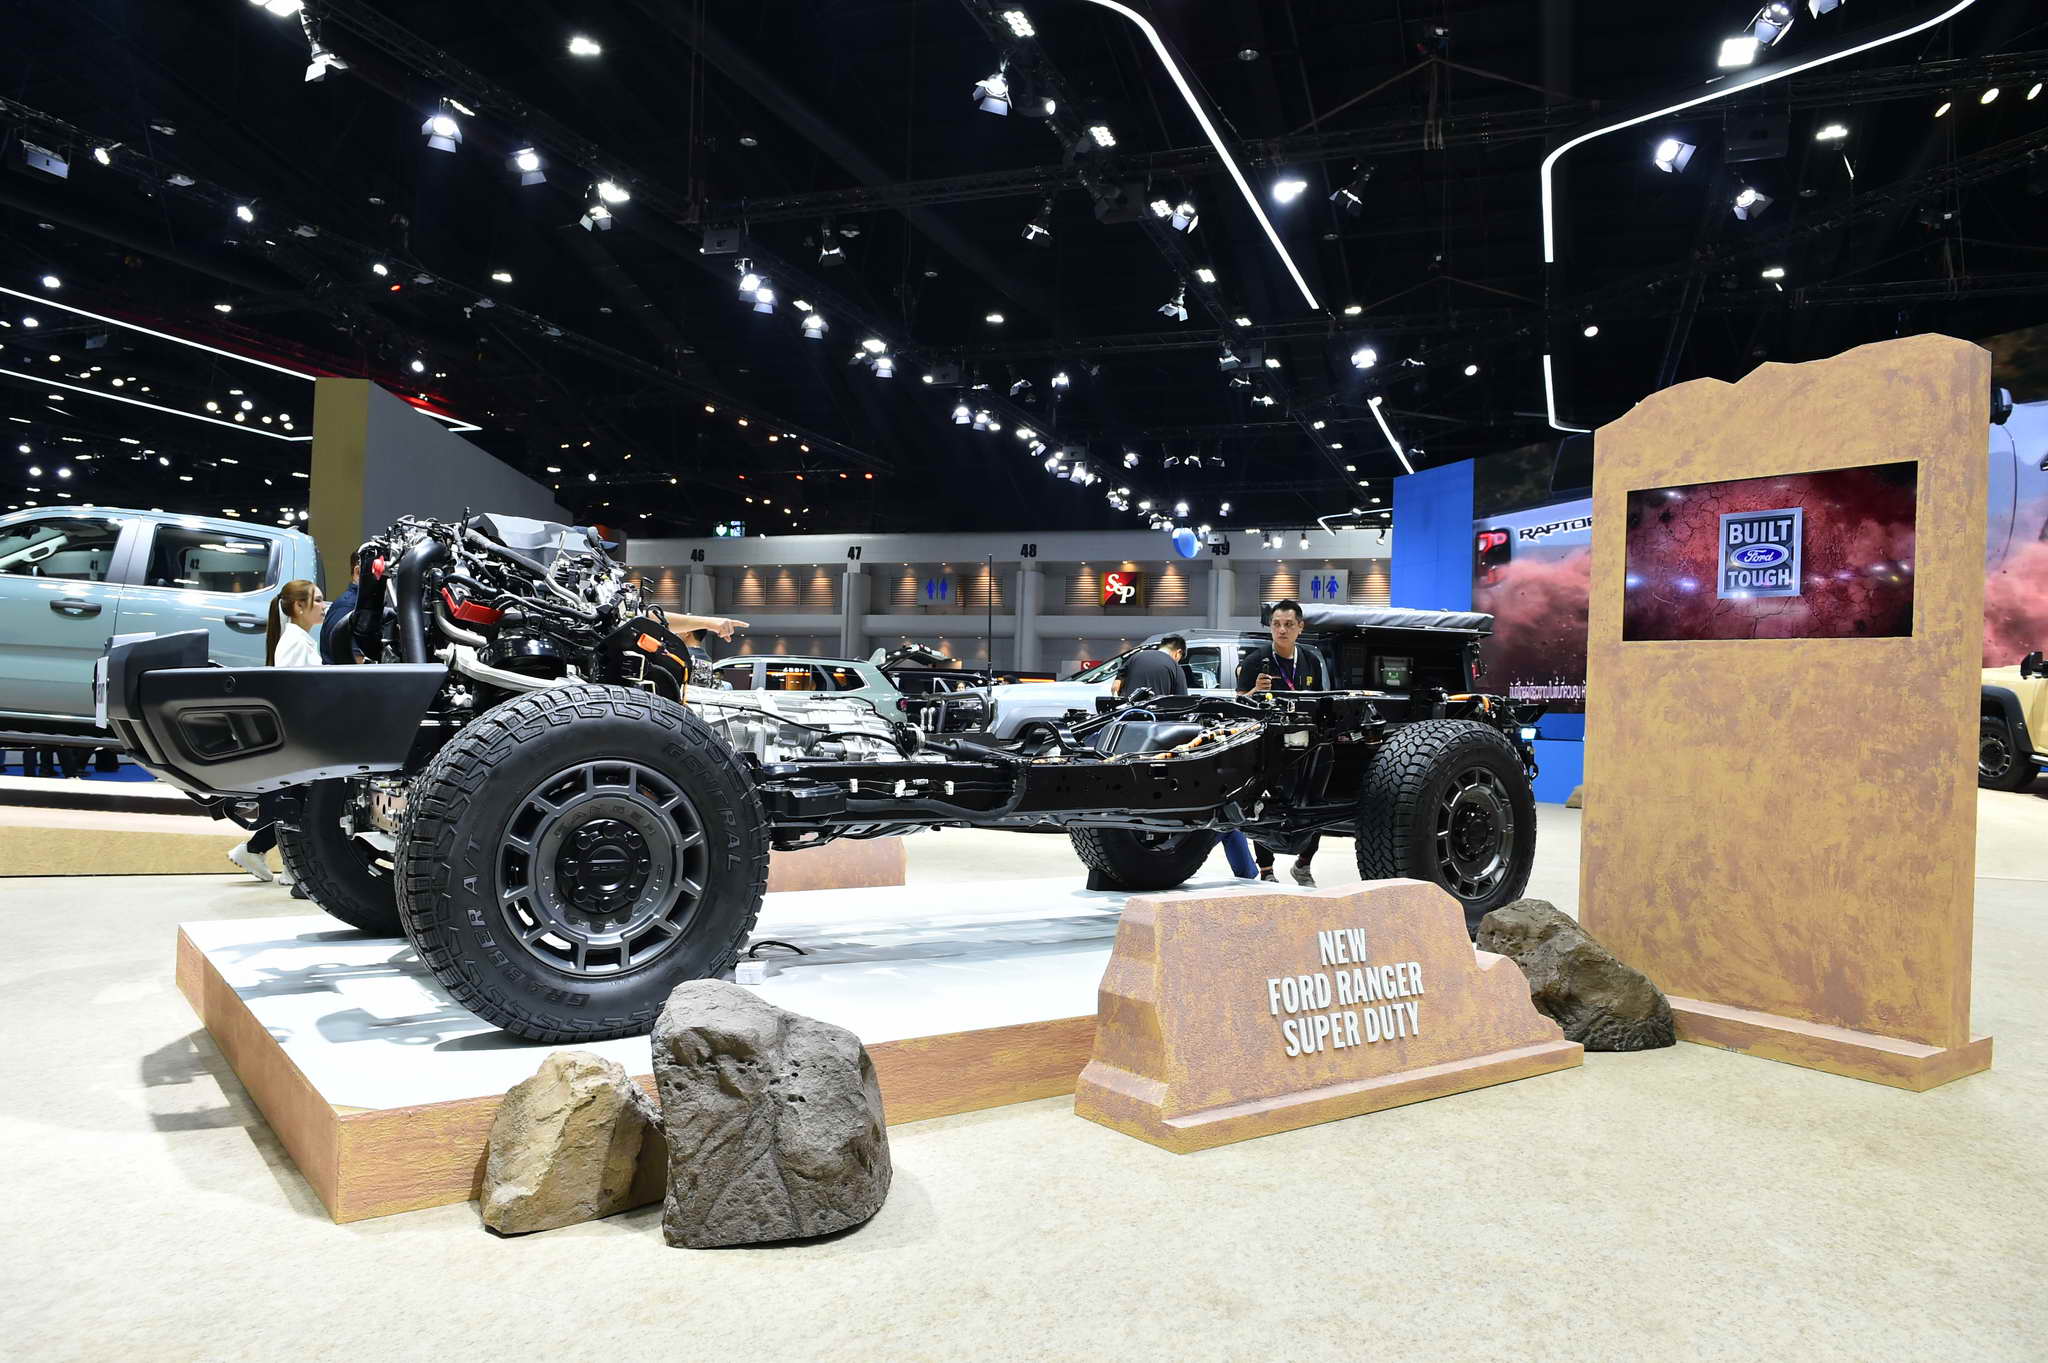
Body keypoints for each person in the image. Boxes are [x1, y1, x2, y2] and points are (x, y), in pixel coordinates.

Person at [228, 580, 326, 882]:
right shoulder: (295, 642)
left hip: (302, 736)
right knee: (301, 801)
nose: (323, 606)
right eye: (318, 600)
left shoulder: (298, 639)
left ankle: (273, 859)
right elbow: (292, 694)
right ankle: (280, 862)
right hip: (300, 737)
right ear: (299, 606)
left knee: (300, 800)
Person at [1235, 598, 1330, 886]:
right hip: (1267, 745)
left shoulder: (1311, 660)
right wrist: (1255, 690)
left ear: (1300, 627)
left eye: (1288, 624)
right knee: (1261, 803)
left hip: (1305, 744)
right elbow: (1239, 704)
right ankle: (1266, 870)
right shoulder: (1255, 661)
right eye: (1276, 624)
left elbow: (1319, 699)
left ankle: (1303, 864)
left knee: (1314, 802)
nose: (1282, 630)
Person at [320, 542, 376, 665]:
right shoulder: (348, 606)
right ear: (358, 572)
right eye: (379, 571)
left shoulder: (362, 605)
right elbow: (355, 660)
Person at [1113, 634, 1187, 700]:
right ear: (1179, 652)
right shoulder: (1175, 667)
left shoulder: (1135, 657)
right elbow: (1182, 701)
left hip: (1130, 709)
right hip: (1157, 710)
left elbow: (1115, 687)